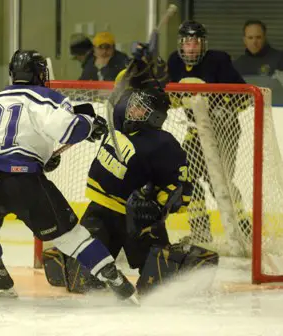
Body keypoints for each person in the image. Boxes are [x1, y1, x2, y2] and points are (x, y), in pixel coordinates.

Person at [0, 49, 137, 303]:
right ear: (40, 74)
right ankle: (113, 277)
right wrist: (87, 120)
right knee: (69, 237)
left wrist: (42, 158)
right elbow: (68, 129)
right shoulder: (46, 97)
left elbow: (9, 141)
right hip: (22, 182)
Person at [44, 53, 218, 295]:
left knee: (156, 287)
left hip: (137, 221)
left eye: (140, 108)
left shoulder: (164, 145)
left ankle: (190, 262)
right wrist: (131, 74)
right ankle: (71, 257)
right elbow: (119, 91)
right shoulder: (119, 119)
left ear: (154, 116)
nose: (132, 110)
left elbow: (182, 193)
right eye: (134, 105)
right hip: (100, 211)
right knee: (83, 283)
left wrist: (155, 205)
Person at [167, 20, 251, 243]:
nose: (191, 47)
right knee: (186, 177)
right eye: (187, 42)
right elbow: (170, 98)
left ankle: (243, 229)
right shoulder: (174, 62)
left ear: (203, 44)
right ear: (180, 45)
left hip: (225, 130)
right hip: (196, 131)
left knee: (219, 182)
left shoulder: (219, 61)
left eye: (196, 42)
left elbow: (245, 96)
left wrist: (223, 106)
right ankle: (201, 230)